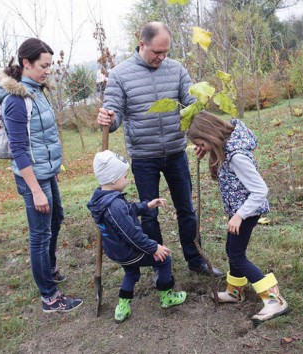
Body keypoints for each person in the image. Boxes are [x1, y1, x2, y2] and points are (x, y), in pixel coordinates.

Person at [96, 21, 223, 277]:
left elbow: (190, 106)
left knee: (186, 208)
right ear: (142, 44)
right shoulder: (120, 75)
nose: (162, 57)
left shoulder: (176, 69)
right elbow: (115, 112)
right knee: (149, 214)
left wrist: (202, 137)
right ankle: (159, 264)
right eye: (157, 52)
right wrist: (108, 118)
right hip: (144, 157)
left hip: (176, 152)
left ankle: (195, 258)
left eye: (165, 52)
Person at [0, 38, 83, 313]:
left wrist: (51, 174)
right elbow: (19, 150)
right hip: (32, 178)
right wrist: (36, 189)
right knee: (40, 236)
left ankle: (49, 270)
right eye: (43, 66)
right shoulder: (17, 101)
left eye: (50, 66)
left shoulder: (36, 91)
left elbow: (42, 138)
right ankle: (50, 297)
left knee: (56, 219)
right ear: (26, 63)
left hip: (46, 173)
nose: (48, 71)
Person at [186, 111, 289, 324]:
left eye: (202, 144)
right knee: (232, 251)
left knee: (237, 256)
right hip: (239, 212)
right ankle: (235, 292)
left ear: (211, 136)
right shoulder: (224, 147)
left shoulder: (237, 157)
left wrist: (239, 216)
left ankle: (274, 300)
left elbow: (260, 190)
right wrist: (208, 152)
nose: (200, 148)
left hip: (247, 212)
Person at [87, 150, 187, 323]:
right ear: (113, 179)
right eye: (125, 177)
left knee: (131, 274)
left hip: (116, 251)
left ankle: (123, 307)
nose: (128, 179)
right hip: (129, 251)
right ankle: (167, 296)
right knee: (164, 259)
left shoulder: (102, 200)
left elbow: (129, 210)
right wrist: (154, 247)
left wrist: (147, 205)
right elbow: (131, 235)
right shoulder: (115, 206)